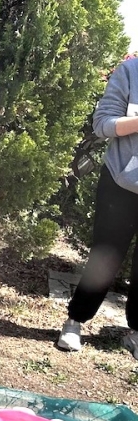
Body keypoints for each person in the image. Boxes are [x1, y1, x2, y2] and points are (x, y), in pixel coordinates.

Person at [57, 56, 138, 357]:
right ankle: (75, 321)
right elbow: (102, 124)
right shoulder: (130, 72)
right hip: (121, 183)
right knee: (105, 256)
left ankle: (135, 332)